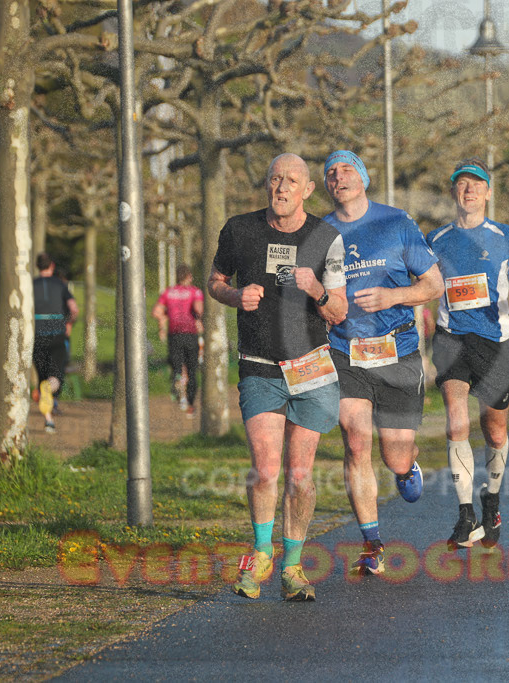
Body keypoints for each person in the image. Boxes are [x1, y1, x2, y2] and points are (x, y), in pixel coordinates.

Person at [207, 153, 347, 601]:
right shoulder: (239, 230)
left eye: (291, 181)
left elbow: (339, 311)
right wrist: (234, 295)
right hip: (260, 366)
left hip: (310, 367)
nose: (281, 187)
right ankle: (262, 551)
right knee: (267, 469)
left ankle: (292, 566)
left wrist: (317, 290)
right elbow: (214, 280)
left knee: (300, 474)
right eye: (274, 179)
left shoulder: (326, 237)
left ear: (307, 190)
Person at [321, 150, 444, 576]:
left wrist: (394, 296)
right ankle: (373, 543)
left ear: (365, 178)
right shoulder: (320, 232)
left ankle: (407, 466)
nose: (339, 177)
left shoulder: (395, 223)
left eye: (347, 169)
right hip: (345, 352)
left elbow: (433, 283)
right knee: (356, 443)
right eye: (331, 173)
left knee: (393, 458)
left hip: (397, 350)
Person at [426, 157, 509, 550]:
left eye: (476, 184)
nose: (468, 190)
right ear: (454, 191)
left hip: (496, 341)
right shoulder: (435, 240)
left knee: (495, 430)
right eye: (462, 184)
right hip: (452, 337)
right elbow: (423, 282)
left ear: (488, 192)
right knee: (456, 423)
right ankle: (465, 514)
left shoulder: (506, 236)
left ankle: (492, 500)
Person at [32, 253, 78, 433]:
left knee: (42, 375)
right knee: (55, 377)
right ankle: (47, 391)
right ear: (51, 265)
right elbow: (74, 309)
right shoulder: (60, 284)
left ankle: (49, 420)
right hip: (57, 334)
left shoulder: (31, 285)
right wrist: (68, 322)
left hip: (36, 335)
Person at [152, 264, 204, 417]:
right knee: (192, 370)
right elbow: (199, 309)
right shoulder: (195, 292)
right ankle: (190, 405)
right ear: (189, 277)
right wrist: (200, 319)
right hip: (190, 334)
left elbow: (156, 312)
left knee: (176, 365)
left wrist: (164, 318)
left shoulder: (168, 292)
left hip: (174, 334)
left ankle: (177, 377)